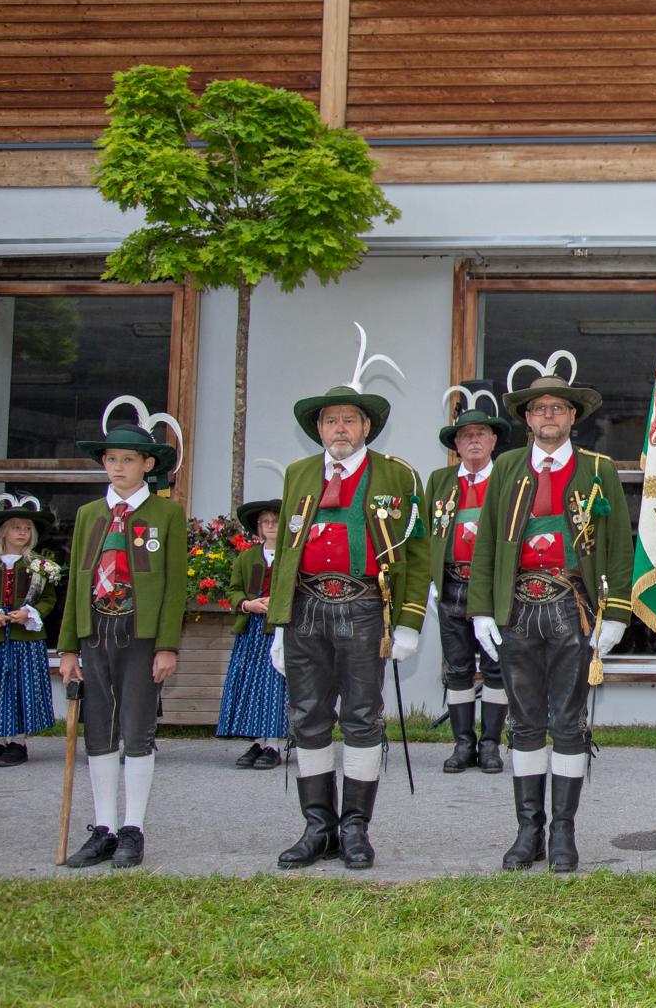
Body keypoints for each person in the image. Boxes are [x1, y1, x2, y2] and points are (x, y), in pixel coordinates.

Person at [265, 340, 429, 871]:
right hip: (306, 608)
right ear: (318, 429)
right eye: (331, 420)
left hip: (365, 609)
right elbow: (286, 552)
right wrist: (279, 624)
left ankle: (355, 828)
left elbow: (418, 552)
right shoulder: (298, 474)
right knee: (308, 717)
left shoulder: (398, 475)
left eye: (349, 420)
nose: (340, 429)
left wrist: (409, 623)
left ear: (366, 427)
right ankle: (318, 828)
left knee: (361, 718)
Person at [468, 358, 633, 873]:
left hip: (572, 609)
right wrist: (481, 610)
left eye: (557, 408)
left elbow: (619, 546)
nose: (548, 416)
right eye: (539, 408)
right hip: (517, 609)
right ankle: (528, 831)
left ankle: (563, 832)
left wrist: (616, 613)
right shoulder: (506, 468)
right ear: (527, 417)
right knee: (524, 724)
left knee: (568, 724)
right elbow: (487, 543)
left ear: (572, 416)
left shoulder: (599, 470)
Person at [58, 401, 189, 869]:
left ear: (148, 464)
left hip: (140, 634)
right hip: (95, 633)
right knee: (99, 730)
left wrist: (167, 645)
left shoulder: (166, 514)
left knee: (136, 730)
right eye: (111, 459)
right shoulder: (89, 514)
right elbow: (77, 581)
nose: (118, 467)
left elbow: (174, 585)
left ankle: (133, 828)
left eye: (128, 459)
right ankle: (104, 828)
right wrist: (68, 646)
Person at [424, 386, 512, 774]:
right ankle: (463, 743)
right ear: (456, 444)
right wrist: (430, 581)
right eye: (466, 435)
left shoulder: (508, 480)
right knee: (457, 669)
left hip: (492, 590)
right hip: (451, 587)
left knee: (496, 667)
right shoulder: (439, 481)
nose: (473, 440)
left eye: (480, 434)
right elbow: (426, 535)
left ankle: (490, 744)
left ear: (493, 440)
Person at [0, 494, 59, 769]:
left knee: (21, 688)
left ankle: (18, 742)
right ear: (3, 532)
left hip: (25, 639)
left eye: (27, 528)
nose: (22, 532)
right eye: (17, 527)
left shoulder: (39, 565)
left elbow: (49, 599)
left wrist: (29, 613)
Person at [215, 498, 286, 770]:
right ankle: (257, 740)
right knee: (251, 683)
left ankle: (274, 744)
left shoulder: (290, 556)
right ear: (258, 527)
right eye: (265, 522)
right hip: (252, 631)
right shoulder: (247, 558)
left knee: (275, 685)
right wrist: (248, 604)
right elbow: (234, 590)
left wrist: (278, 603)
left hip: (279, 629)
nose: (270, 526)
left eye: (276, 521)